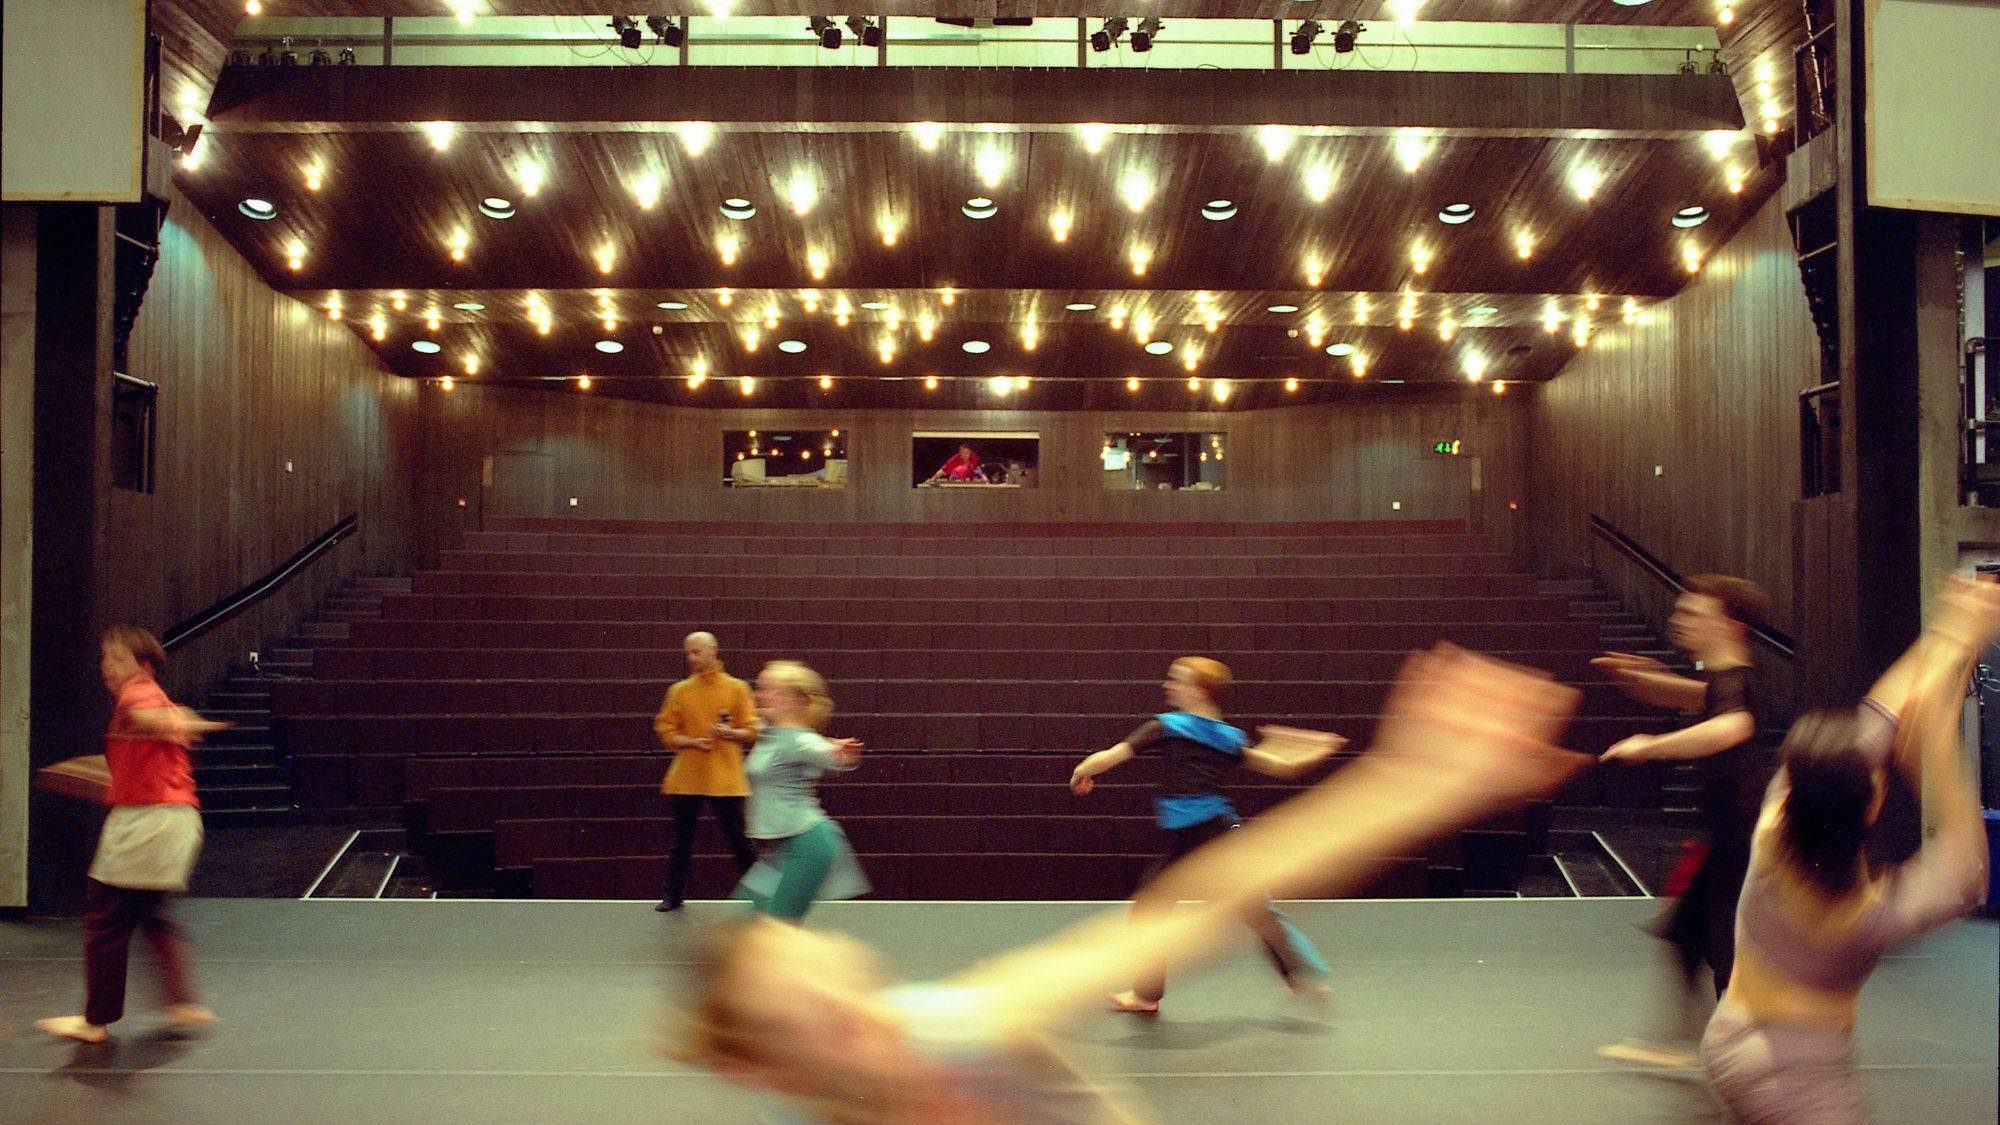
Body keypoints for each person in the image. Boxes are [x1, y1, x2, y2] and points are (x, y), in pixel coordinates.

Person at [673, 645, 1589, 1122]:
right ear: (760, 1069)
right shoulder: (830, 1093)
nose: (856, 1005)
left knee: (1223, 910)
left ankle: (1293, 968)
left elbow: (1178, 908)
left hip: (1209, 836)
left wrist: (1411, 783)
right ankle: (1289, 969)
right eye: (825, 1019)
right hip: (1189, 836)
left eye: (844, 980)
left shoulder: (946, 1030)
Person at [1702, 575, 1995, 1122]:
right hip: (1797, 1081)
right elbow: (1968, 869)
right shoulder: (1867, 915)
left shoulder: (1773, 826)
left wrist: (1952, 634)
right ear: (1869, 809)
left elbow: (1879, 717)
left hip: (1730, 1042)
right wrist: (1932, 739)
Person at [1069, 656, 1342, 1013]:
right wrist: (1317, 748)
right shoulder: (1226, 737)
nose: (1168, 686)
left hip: (1211, 833)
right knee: (1237, 909)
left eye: (1176, 680)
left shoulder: (1167, 726)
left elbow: (1110, 756)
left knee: (1163, 908)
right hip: (1208, 833)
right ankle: (1298, 977)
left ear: (1198, 691)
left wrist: (1080, 771)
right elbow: (1283, 767)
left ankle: (1147, 995)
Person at [1594, 575, 1772, 1067]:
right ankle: (1695, 1044)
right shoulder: (1725, 678)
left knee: (1724, 948)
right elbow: (1703, 698)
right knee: (1687, 936)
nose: (1680, 621)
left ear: (1729, 625)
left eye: (1694, 613)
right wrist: (1649, 681)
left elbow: (1731, 725)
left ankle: (1737, 1055)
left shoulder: (1738, 682)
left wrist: (1649, 747)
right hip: (1723, 834)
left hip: (1740, 839)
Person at [37, 625, 227, 1044]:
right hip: (178, 821)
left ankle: (95, 1021)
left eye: (117, 658)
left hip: (146, 824)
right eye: (105, 657)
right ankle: (183, 1003)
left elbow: (146, 714)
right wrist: (79, 772)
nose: (107, 666)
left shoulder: (137, 691)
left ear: (142, 666)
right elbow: (132, 764)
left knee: (105, 919)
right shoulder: (143, 705)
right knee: (148, 911)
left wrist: (182, 719)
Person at [735, 661, 868, 921]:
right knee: (742, 929)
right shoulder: (773, 734)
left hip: (807, 845)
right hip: (779, 849)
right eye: (760, 688)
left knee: (773, 933)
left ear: (793, 699)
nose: (759, 694)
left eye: (768, 689)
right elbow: (786, 740)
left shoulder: (801, 740)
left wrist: (838, 753)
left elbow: (813, 748)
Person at [653, 631, 760, 913]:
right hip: (687, 777)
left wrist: (729, 732)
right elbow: (666, 730)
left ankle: (763, 897)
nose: (691, 658)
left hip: (725, 778)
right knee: (680, 842)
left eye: (696, 652)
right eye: (688, 652)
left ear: (713, 650)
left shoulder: (737, 689)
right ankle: (672, 896)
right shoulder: (680, 691)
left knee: (740, 841)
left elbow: (752, 729)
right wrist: (691, 742)